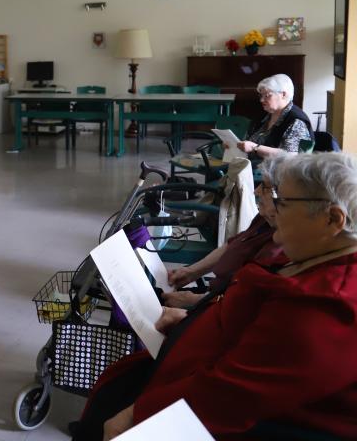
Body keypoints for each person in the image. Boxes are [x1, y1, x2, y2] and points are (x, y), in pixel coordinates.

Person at [74, 152, 357, 441]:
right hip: (183, 374)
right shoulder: (314, 256)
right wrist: (192, 319)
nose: (273, 210)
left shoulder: (332, 306)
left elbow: (234, 396)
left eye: (283, 202)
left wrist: (136, 414)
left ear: (332, 219)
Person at [161, 156, 285, 309]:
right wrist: (190, 272)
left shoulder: (280, 244)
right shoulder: (264, 218)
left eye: (264, 187)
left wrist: (194, 301)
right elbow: (233, 243)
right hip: (215, 295)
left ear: (282, 198)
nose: (256, 191)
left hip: (224, 306)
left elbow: (247, 303)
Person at [236, 73, 313, 158]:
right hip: (254, 166)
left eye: (267, 95)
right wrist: (236, 146)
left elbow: (290, 156)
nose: (262, 100)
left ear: (283, 94)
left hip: (278, 170)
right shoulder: (264, 115)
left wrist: (255, 148)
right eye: (261, 95)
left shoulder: (296, 121)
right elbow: (248, 142)